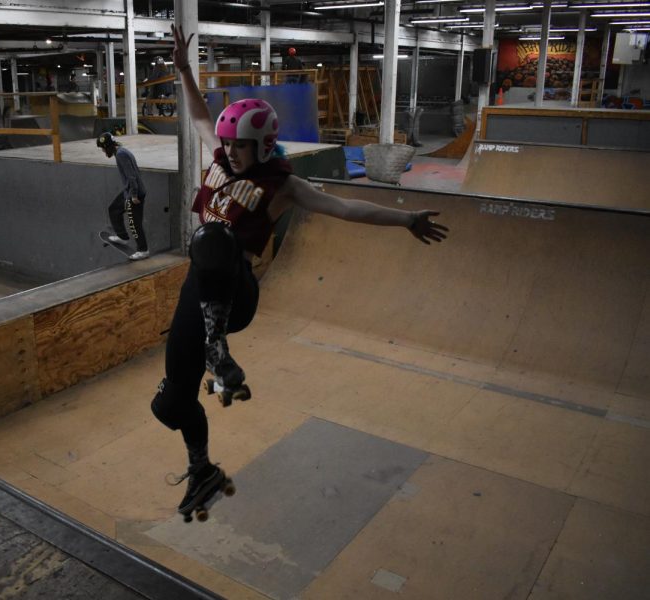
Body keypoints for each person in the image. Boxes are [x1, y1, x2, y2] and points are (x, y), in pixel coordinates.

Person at [153, 25, 449, 519]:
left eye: (239, 148)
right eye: (226, 145)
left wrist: (405, 219)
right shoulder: (222, 156)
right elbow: (202, 118)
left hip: (237, 294)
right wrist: (184, 71)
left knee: (212, 237)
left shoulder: (283, 185)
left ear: (264, 146)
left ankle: (217, 348)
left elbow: (346, 207)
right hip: (196, 294)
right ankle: (202, 468)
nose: (228, 153)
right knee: (171, 403)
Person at [96, 132, 149, 260]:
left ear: (108, 146)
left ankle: (143, 250)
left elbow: (131, 175)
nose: (103, 151)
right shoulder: (121, 151)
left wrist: (134, 195)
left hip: (134, 193)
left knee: (134, 223)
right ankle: (122, 236)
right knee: (114, 209)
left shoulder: (121, 155)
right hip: (129, 191)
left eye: (103, 148)